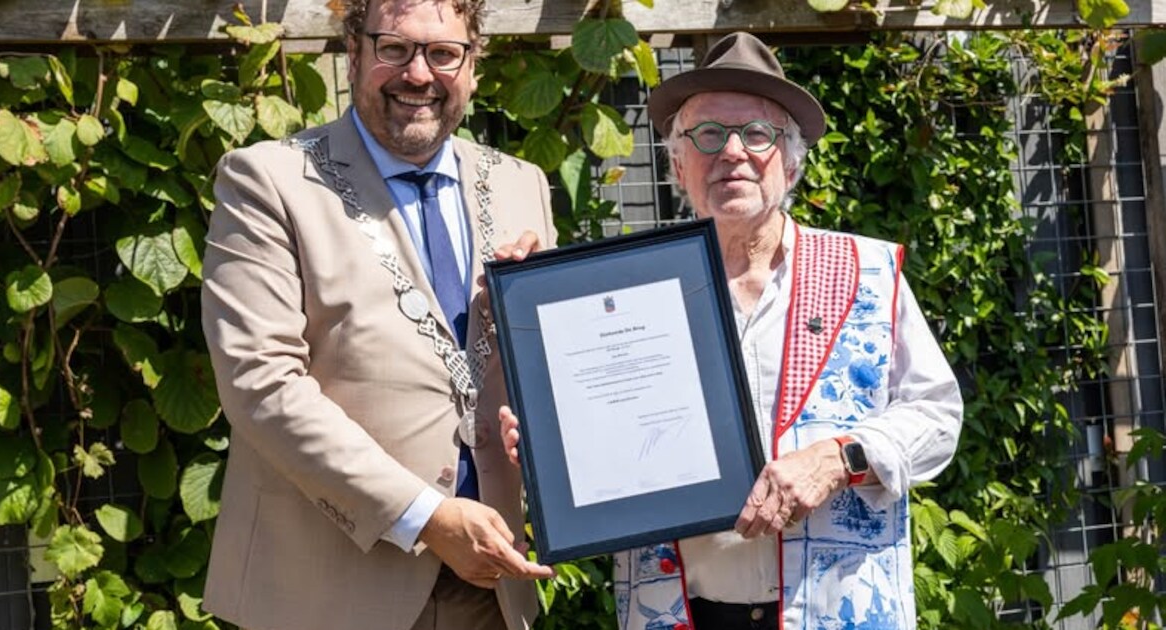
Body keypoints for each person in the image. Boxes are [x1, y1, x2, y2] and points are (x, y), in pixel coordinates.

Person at [500, 31, 963, 630]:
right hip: (676, 613)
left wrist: (840, 456)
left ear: (791, 160)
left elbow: (937, 415)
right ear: (676, 163)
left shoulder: (865, 272)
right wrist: (549, 438)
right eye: (708, 135)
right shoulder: (624, 292)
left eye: (758, 134)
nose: (732, 153)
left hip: (833, 609)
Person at [199, 0, 556, 629]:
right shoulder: (268, 182)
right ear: (354, 50)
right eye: (394, 48)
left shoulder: (521, 184)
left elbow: (549, 375)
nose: (419, 74)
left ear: (473, 66)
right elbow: (261, 383)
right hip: (330, 593)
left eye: (444, 54)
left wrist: (543, 309)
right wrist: (426, 515)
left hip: (493, 592)